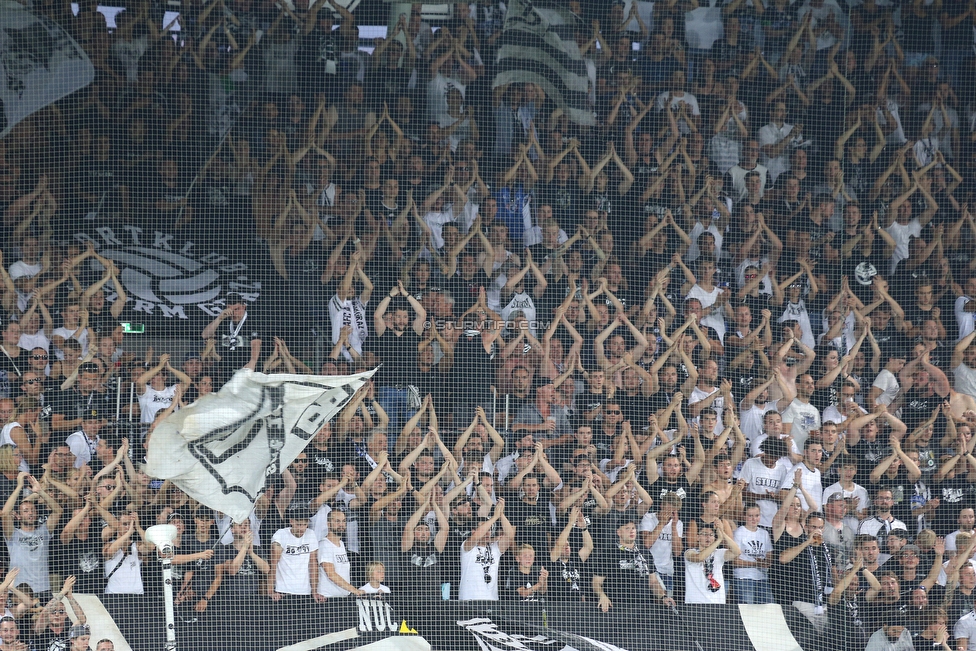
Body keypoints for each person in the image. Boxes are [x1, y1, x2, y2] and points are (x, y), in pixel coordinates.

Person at [459, 499, 515, 601]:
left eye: (489, 530)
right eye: (485, 529)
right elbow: (476, 536)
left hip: (491, 600)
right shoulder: (467, 546)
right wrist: (494, 517)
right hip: (469, 599)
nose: (487, 533)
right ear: (473, 531)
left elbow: (510, 535)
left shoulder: (495, 548)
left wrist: (500, 514)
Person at [684, 522, 741, 603]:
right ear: (697, 537)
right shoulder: (689, 552)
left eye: (711, 535)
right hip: (695, 603)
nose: (708, 537)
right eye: (704, 534)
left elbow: (737, 552)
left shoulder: (719, 553)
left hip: (717, 602)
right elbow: (700, 557)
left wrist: (722, 533)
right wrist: (718, 541)